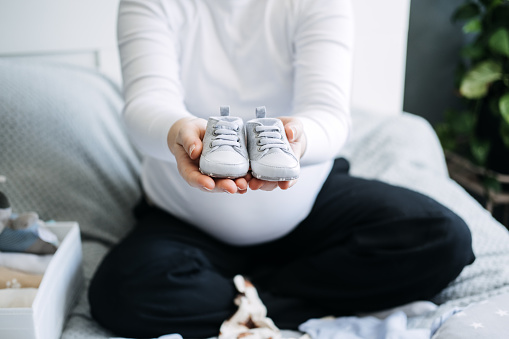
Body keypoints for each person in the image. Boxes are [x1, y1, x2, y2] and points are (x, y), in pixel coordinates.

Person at [88, 0, 475, 337]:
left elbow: (330, 113)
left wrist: (298, 140)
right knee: (117, 293)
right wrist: (177, 132)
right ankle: (297, 297)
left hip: (305, 201)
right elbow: (146, 103)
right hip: (185, 216)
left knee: (442, 237)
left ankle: (246, 297)